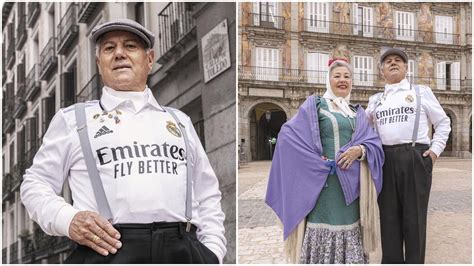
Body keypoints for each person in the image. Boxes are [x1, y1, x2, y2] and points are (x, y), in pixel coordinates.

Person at [20, 18, 226, 264]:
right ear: (99, 63)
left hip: (183, 251)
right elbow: (34, 184)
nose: (119, 53)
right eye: (109, 48)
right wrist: (68, 218)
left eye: (130, 46)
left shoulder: (179, 121)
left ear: (149, 59)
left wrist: (213, 251)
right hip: (108, 250)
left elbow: (207, 191)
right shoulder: (73, 119)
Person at [266, 59, 384, 264]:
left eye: (347, 76)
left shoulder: (358, 112)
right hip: (324, 184)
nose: (342, 80)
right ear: (328, 80)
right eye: (337, 76)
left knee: (351, 226)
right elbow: (288, 136)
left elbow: (374, 143)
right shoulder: (316, 105)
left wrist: (360, 150)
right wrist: (314, 160)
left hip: (352, 189)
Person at [366, 48, 451, 263]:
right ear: (381, 71)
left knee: (414, 220)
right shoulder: (375, 100)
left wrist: (434, 152)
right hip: (385, 160)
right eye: (388, 61)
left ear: (406, 68)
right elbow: (363, 132)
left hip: (415, 157)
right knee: (389, 219)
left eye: (398, 61)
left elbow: (443, 122)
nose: (393, 63)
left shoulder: (421, 92)